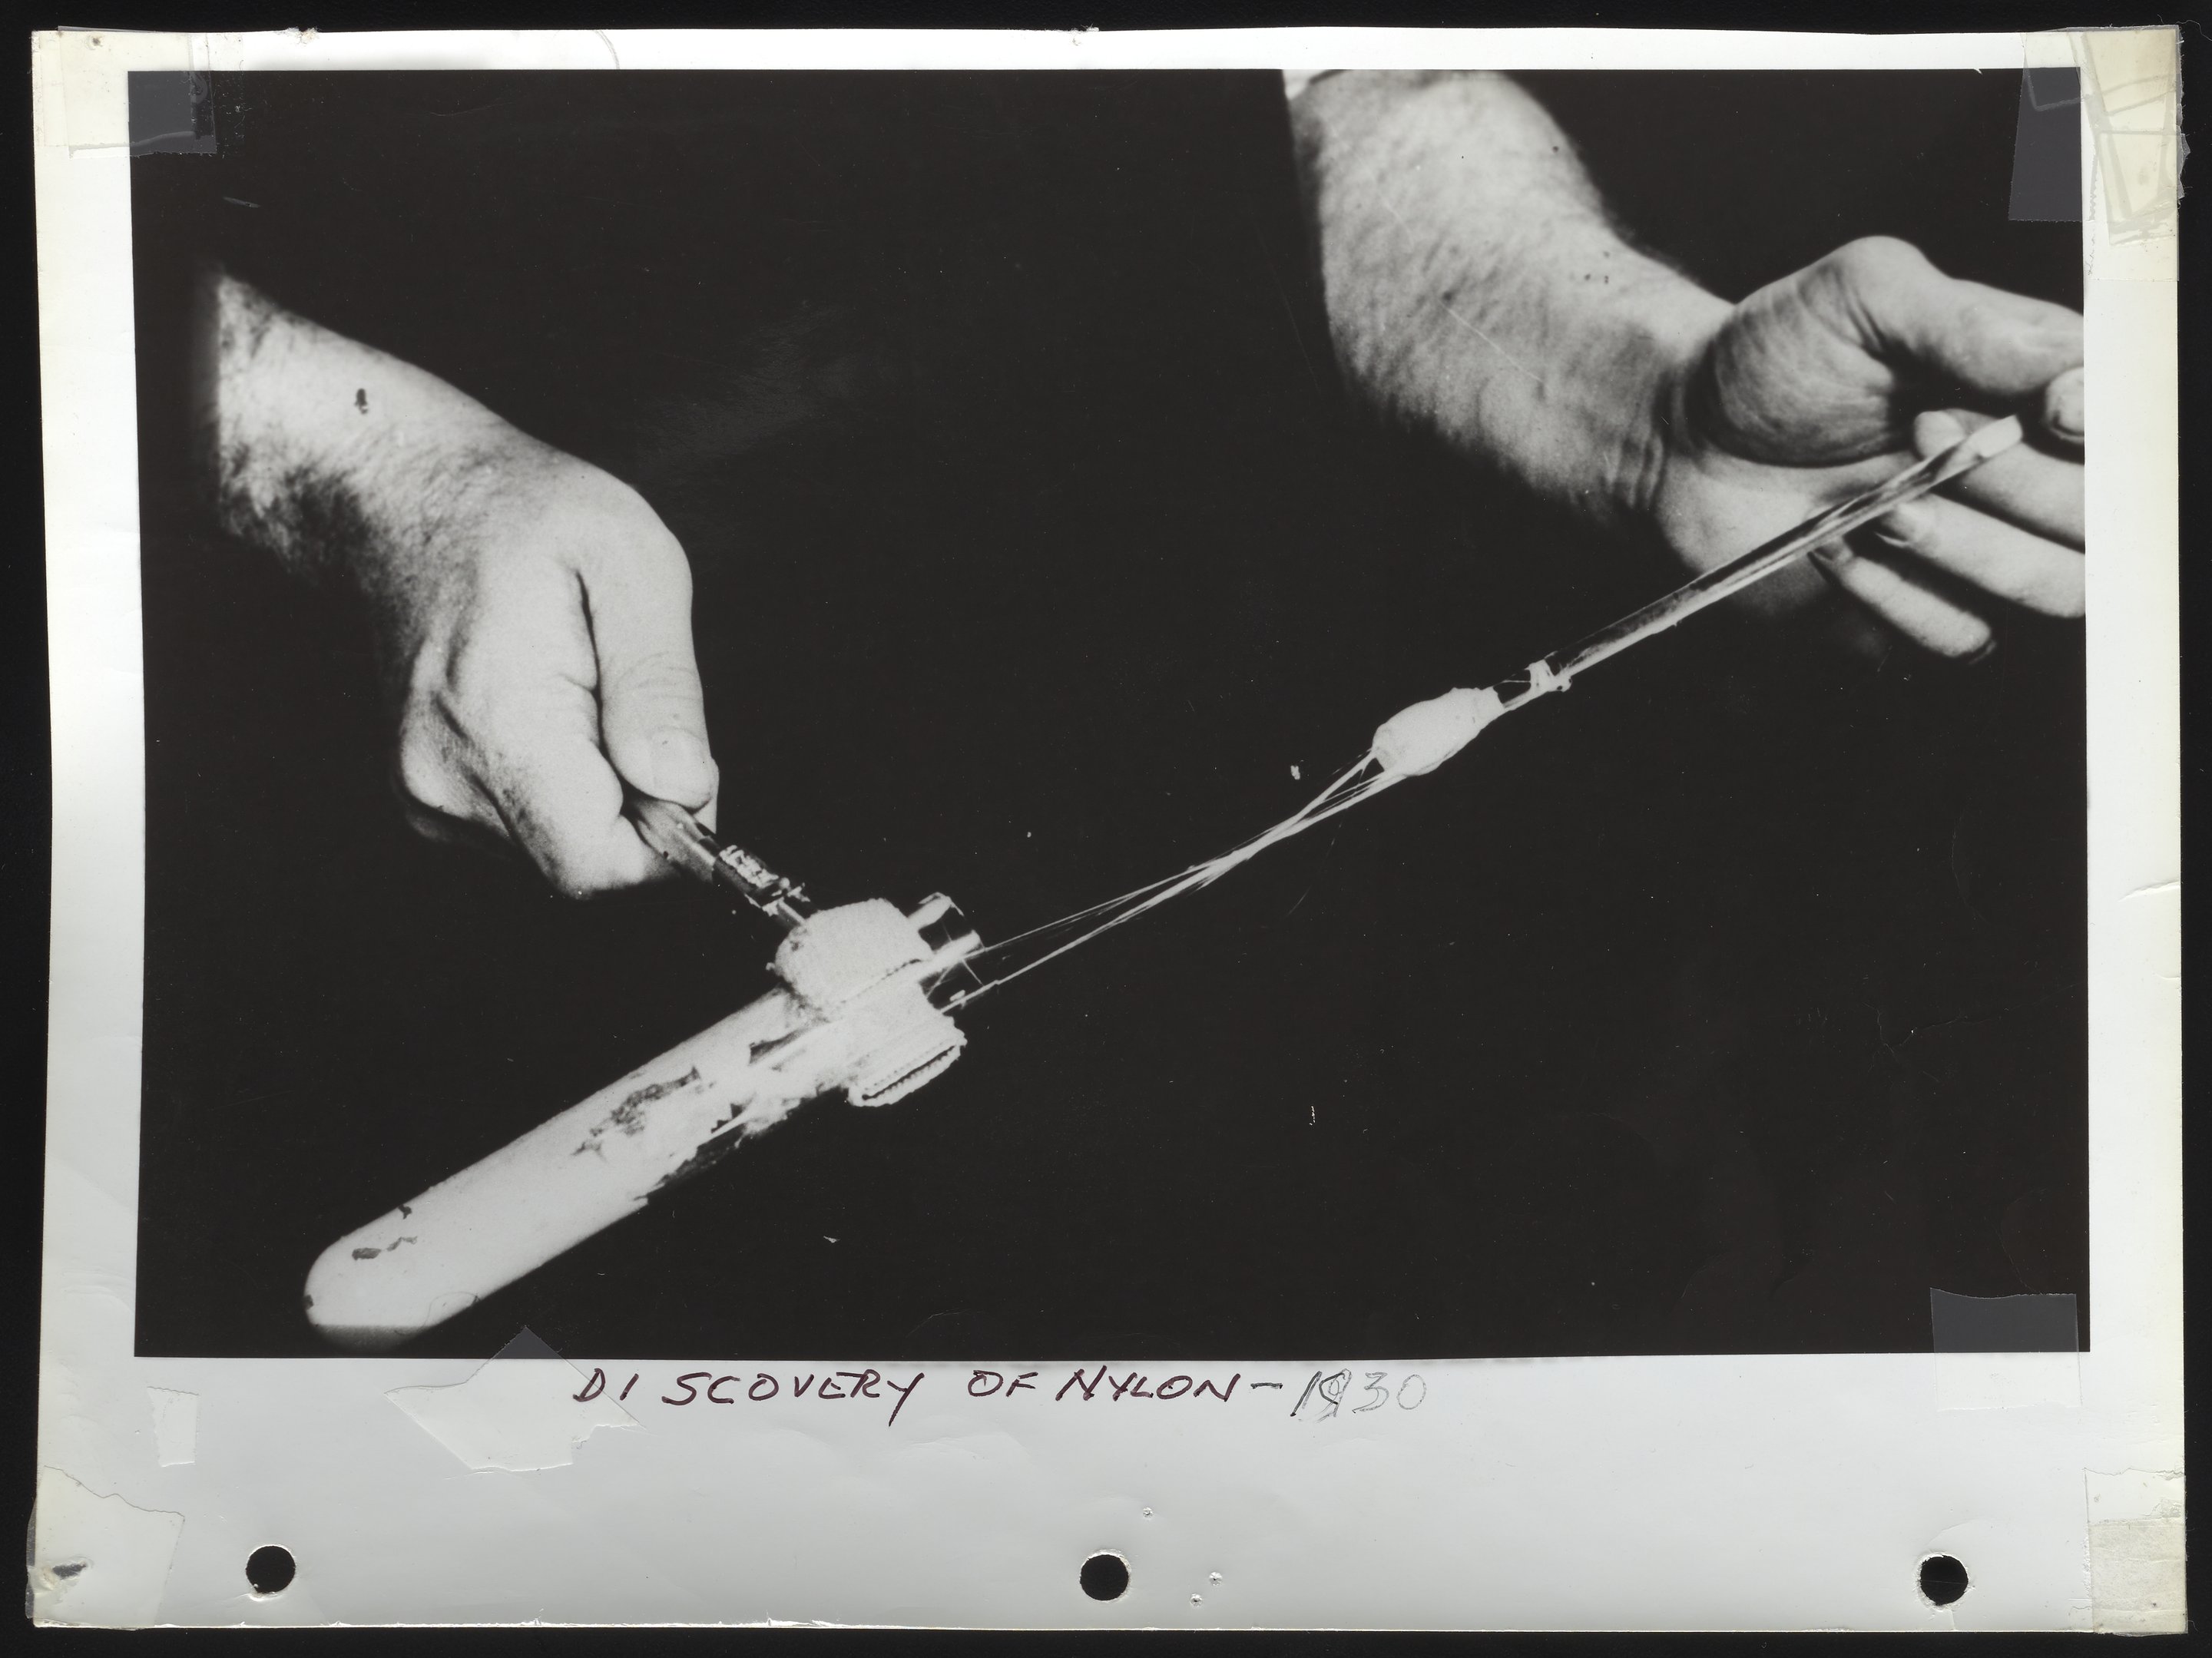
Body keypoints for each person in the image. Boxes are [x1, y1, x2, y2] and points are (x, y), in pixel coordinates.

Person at [196, 71, 2085, 901]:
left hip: (1169, 667)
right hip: (400, 761)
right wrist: (352, 464)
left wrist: (1645, 407)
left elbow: (1322, 97)